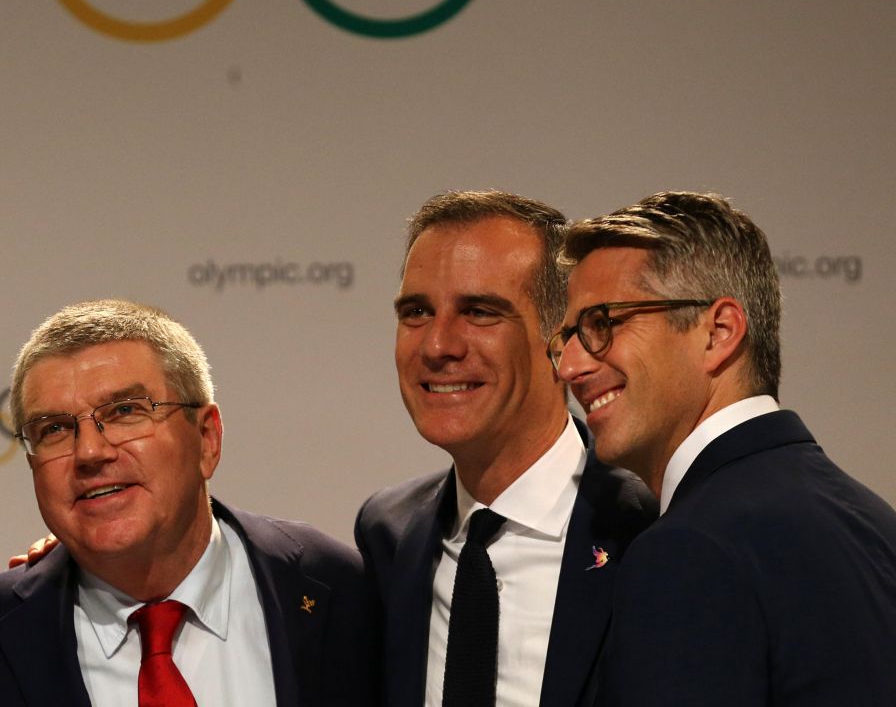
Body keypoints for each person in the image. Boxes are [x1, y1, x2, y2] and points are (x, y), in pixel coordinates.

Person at [553, 191, 896, 704]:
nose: (569, 368)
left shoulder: (686, 550)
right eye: (566, 340)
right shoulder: (874, 521)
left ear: (718, 331)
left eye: (601, 324)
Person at [0, 299, 377, 707]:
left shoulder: (342, 587)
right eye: (55, 429)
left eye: (125, 412)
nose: (90, 452)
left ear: (206, 439)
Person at [354, 191, 655, 707]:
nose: (437, 346)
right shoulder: (387, 534)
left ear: (563, 339)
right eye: (417, 312)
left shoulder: (650, 531)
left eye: (479, 312)